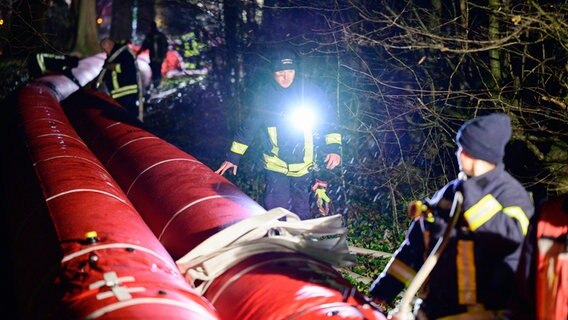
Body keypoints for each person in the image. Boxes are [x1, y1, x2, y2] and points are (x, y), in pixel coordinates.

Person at [368, 113, 535, 319]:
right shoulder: (450, 192)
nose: (457, 153)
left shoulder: (510, 194)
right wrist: (382, 293)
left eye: (461, 148)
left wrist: (471, 198)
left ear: (472, 152)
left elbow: (513, 241)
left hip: (483, 313)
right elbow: (416, 247)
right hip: (432, 309)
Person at [215, 48, 342, 220]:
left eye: (290, 71)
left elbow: (329, 120)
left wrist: (334, 148)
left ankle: (298, 244)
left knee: (301, 212)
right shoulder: (264, 96)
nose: (286, 77)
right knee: (275, 212)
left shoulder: (311, 93)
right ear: (273, 73)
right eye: (280, 72)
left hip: (304, 167)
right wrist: (233, 157)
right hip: (275, 165)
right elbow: (249, 127)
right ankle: (276, 242)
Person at [97, 38, 143, 120]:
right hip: (118, 94)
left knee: (130, 117)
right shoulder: (111, 57)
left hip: (127, 93)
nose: (104, 51)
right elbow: (104, 74)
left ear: (109, 45)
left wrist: (114, 67)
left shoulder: (124, 53)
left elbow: (129, 69)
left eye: (104, 49)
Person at [137, 22, 169, 89]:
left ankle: (156, 83)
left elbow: (144, 45)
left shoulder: (151, 35)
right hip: (158, 57)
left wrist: (137, 53)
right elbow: (166, 45)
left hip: (154, 57)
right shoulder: (159, 35)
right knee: (157, 69)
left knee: (155, 69)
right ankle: (157, 83)